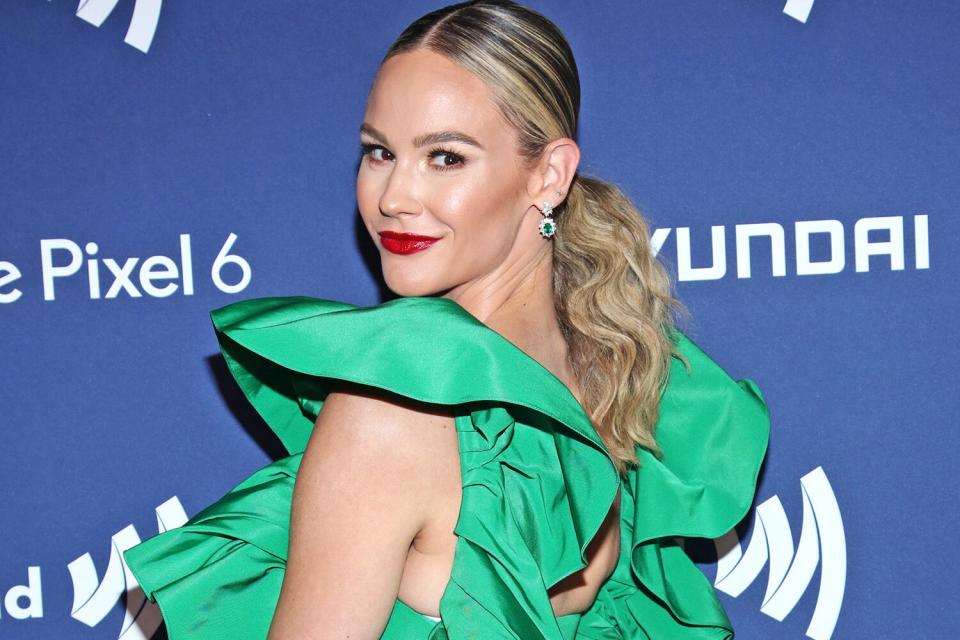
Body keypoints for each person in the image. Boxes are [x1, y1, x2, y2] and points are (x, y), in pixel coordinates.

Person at [123, 1, 770, 638]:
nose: (394, 197)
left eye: (445, 157)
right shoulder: (392, 417)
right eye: (379, 152)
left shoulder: (620, 373)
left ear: (548, 174)